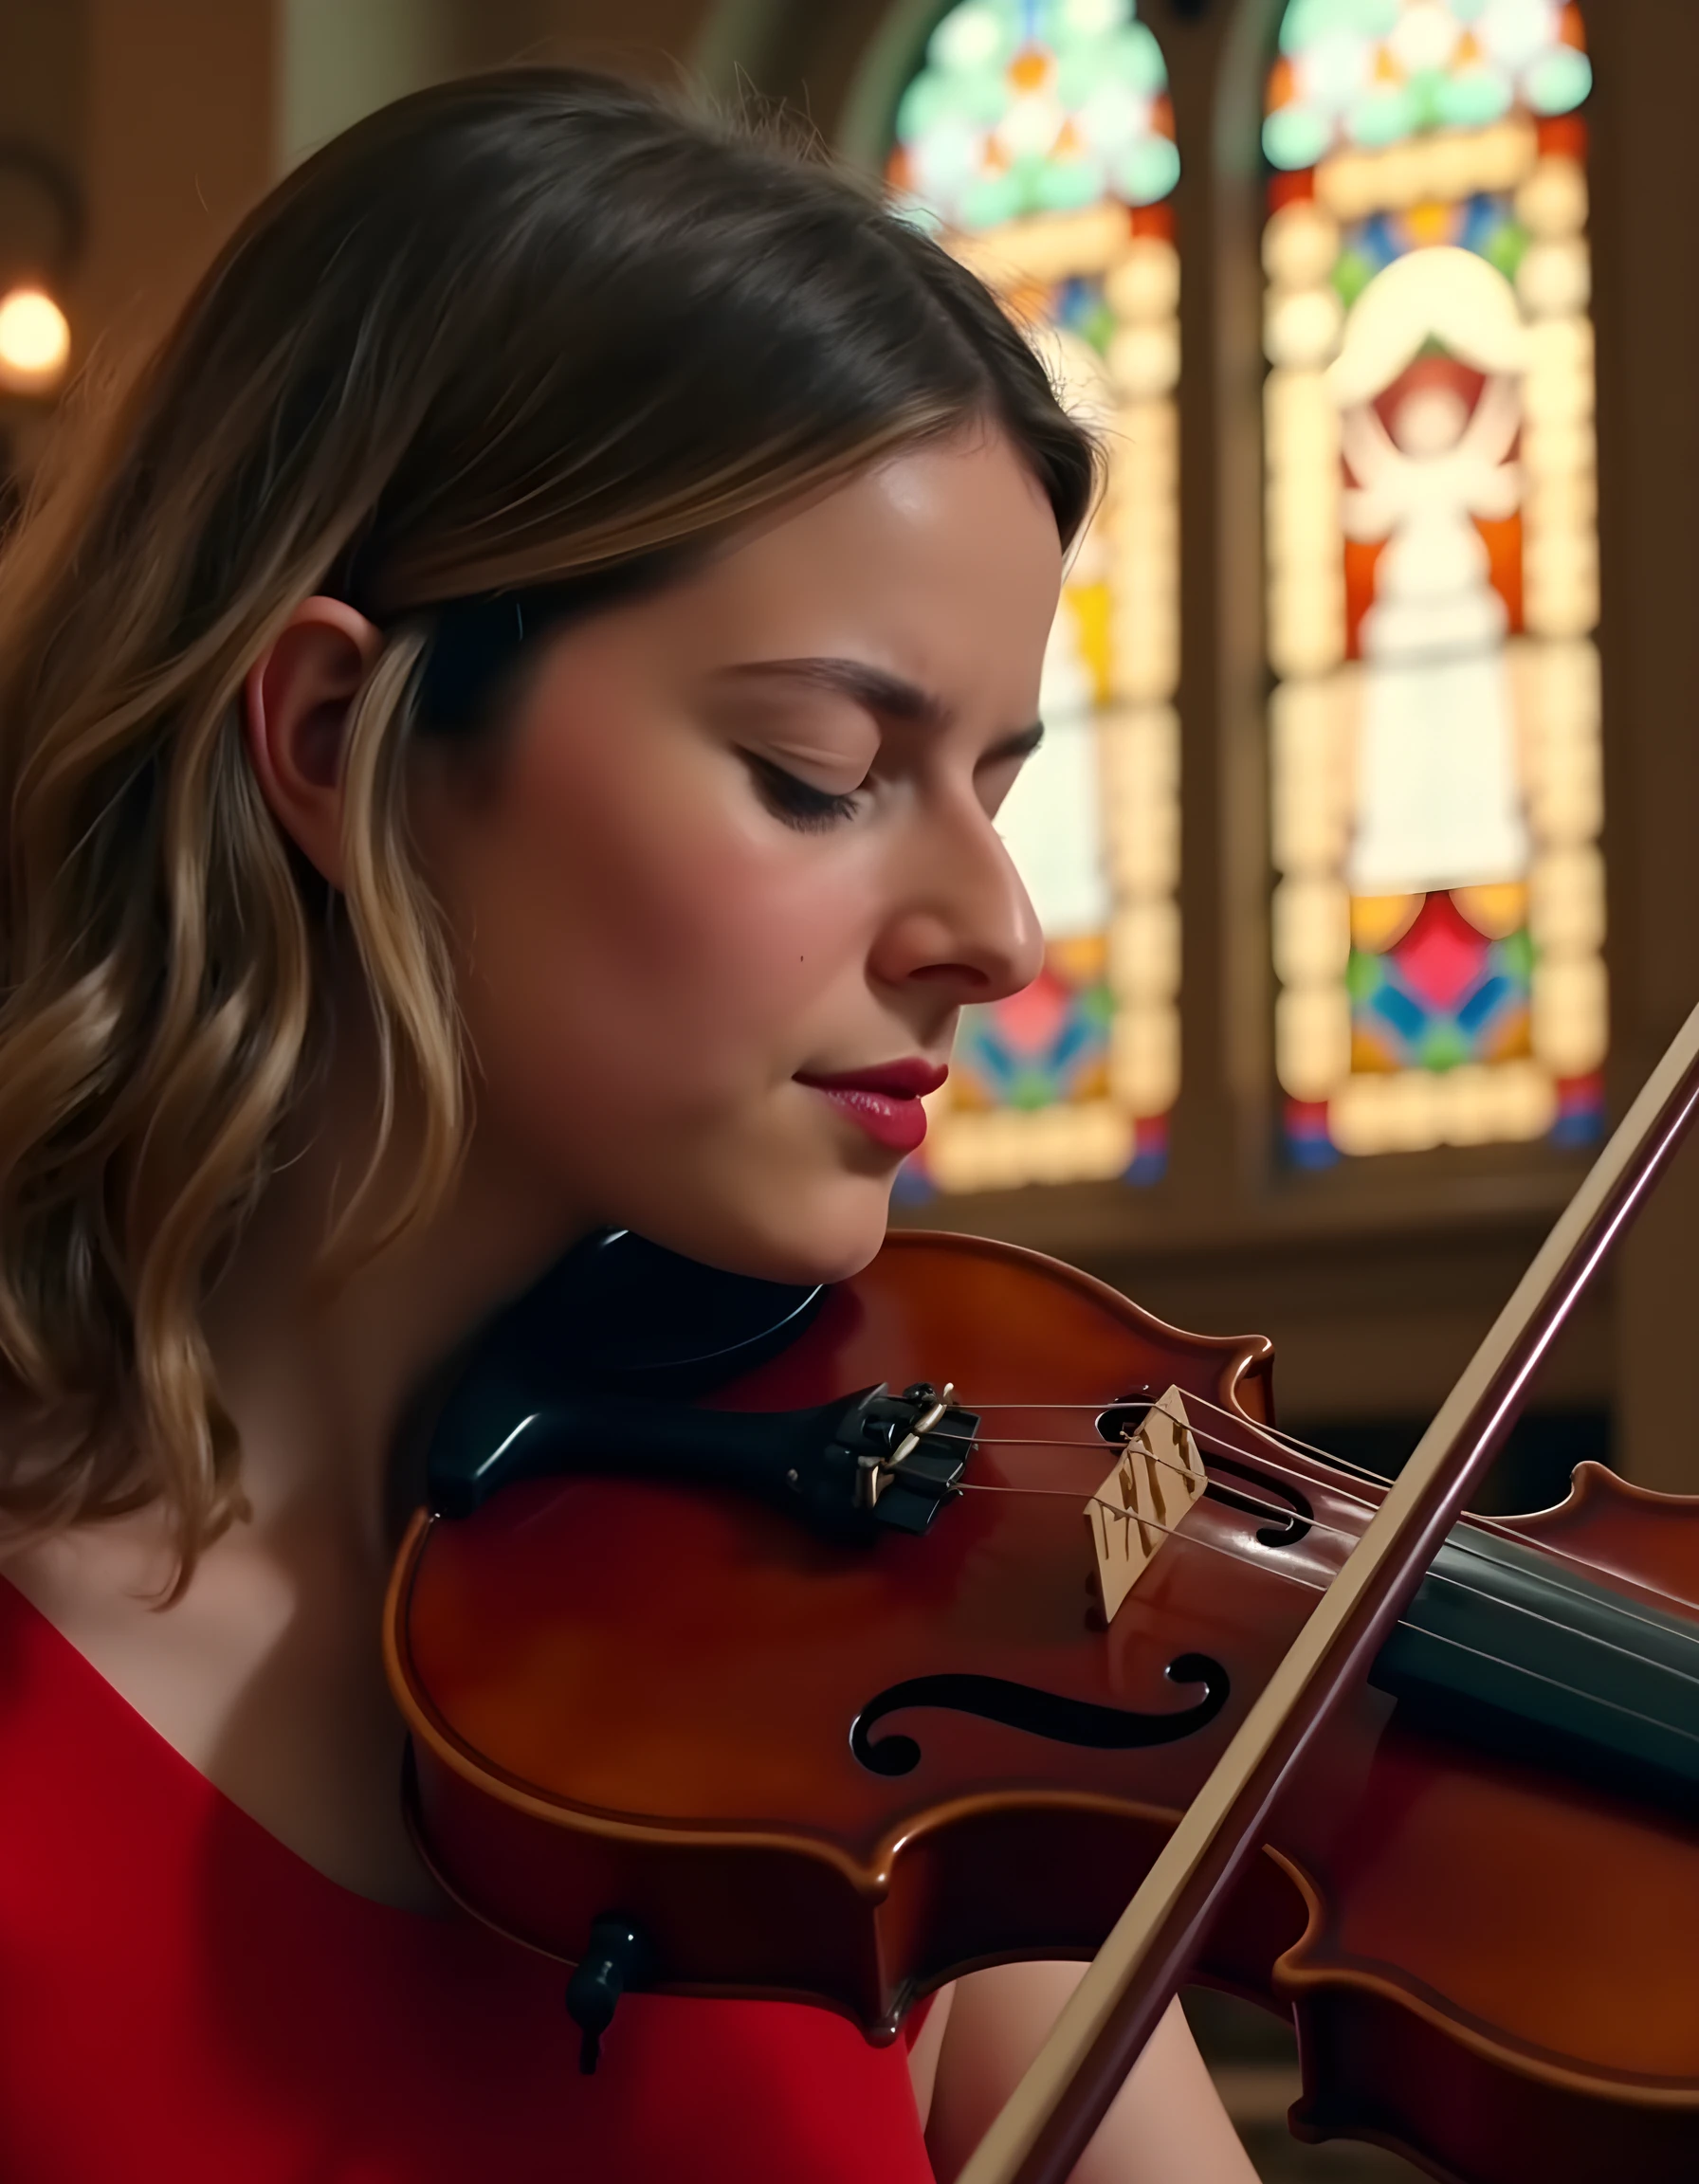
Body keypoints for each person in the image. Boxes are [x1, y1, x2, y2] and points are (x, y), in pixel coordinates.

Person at [0, 69, 1257, 2183]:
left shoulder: (869, 1718)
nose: (996, 930)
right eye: (817, 769)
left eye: (994, 781)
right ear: (337, 739)